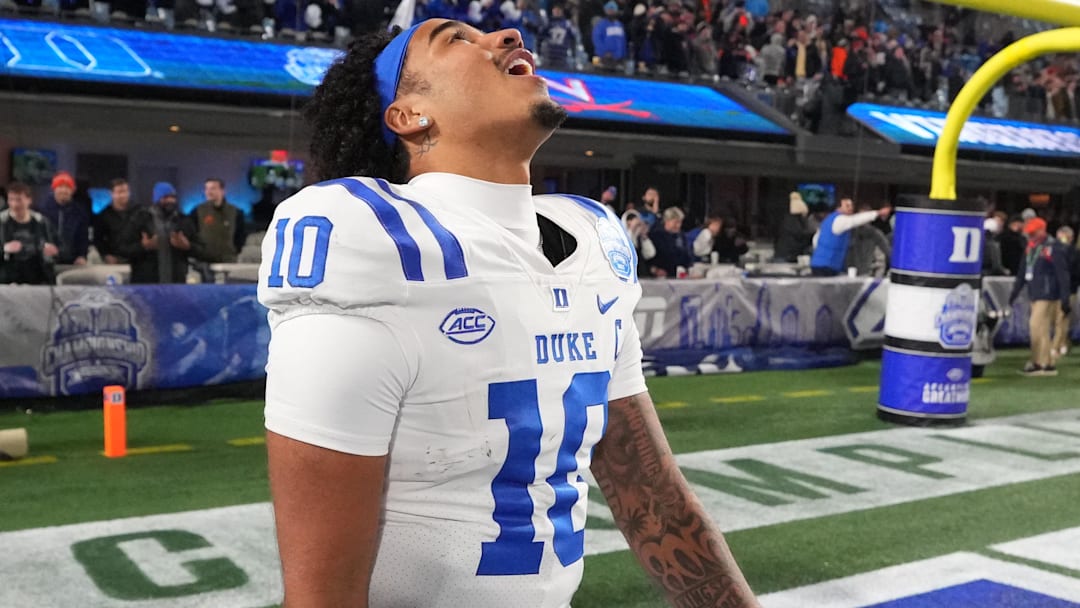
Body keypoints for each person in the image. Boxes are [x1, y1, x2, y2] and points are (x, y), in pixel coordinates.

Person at [258, 21, 759, 608]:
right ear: (409, 115)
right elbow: (321, 596)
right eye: (455, 39)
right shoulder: (374, 248)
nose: (506, 35)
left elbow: (651, 496)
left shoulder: (589, 249)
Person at [1009, 217, 1070, 376]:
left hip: (1047, 294)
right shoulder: (1030, 248)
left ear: (1042, 231)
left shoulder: (1052, 248)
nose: (1030, 236)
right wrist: (1013, 294)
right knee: (1039, 329)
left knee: (1037, 327)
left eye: (1033, 233)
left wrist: (1065, 297)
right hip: (1034, 293)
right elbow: (1022, 273)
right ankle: (1045, 363)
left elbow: (1062, 273)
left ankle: (1040, 363)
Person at [119, 182, 206, 284]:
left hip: (177, 283)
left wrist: (188, 246)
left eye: (173, 197)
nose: (170, 200)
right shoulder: (140, 219)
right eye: (165, 197)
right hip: (146, 284)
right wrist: (143, 246)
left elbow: (202, 250)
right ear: (156, 199)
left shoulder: (184, 221)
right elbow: (122, 248)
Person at [809, 197, 891, 276]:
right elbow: (854, 220)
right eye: (847, 206)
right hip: (827, 266)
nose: (850, 208)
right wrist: (878, 213)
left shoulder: (828, 221)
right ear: (839, 208)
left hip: (823, 264)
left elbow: (816, 240)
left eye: (851, 205)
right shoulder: (840, 220)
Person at [0, 182, 58, 285]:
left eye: (19, 200)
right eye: (11, 200)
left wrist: (53, 251)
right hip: (8, 274)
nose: (15, 204)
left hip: (37, 274)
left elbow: (57, 246)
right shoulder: (2, 221)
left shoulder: (41, 221)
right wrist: (4, 249)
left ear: (29, 200)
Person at [35, 171, 89, 266]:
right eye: (60, 186)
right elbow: (37, 234)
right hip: (46, 260)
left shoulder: (80, 212)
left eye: (67, 187)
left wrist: (82, 255)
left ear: (73, 190)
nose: (64, 190)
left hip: (72, 261)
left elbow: (83, 237)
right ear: (54, 188)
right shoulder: (42, 210)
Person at [194, 178, 246, 264]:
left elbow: (240, 236)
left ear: (222, 191)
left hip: (229, 260)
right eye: (206, 189)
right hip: (204, 261)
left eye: (213, 188)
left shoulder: (235, 212)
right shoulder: (197, 211)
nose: (209, 192)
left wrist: (235, 250)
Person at [93, 178, 135, 265]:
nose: (123, 195)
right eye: (119, 192)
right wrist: (106, 255)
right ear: (111, 194)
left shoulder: (138, 212)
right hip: (114, 261)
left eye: (125, 191)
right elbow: (98, 239)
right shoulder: (103, 215)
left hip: (136, 260)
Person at [1051, 225, 1078, 358]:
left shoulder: (1073, 252)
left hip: (1068, 289)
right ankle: (1063, 343)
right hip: (1054, 290)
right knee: (1057, 320)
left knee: (1062, 319)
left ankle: (1056, 346)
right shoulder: (1053, 250)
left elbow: (1074, 271)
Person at [642, 206, 692, 277]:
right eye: (675, 222)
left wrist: (687, 268)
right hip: (658, 276)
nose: (678, 225)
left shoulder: (681, 236)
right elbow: (647, 257)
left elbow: (686, 255)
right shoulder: (655, 235)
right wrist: (654, 269)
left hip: (677, 275)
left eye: (680, 222)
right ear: (667, 221)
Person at [773, 191, 814, 263]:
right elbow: (800, 236)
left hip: (782, 254)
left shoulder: (785, 220)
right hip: (788, 256)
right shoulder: (795, 222)